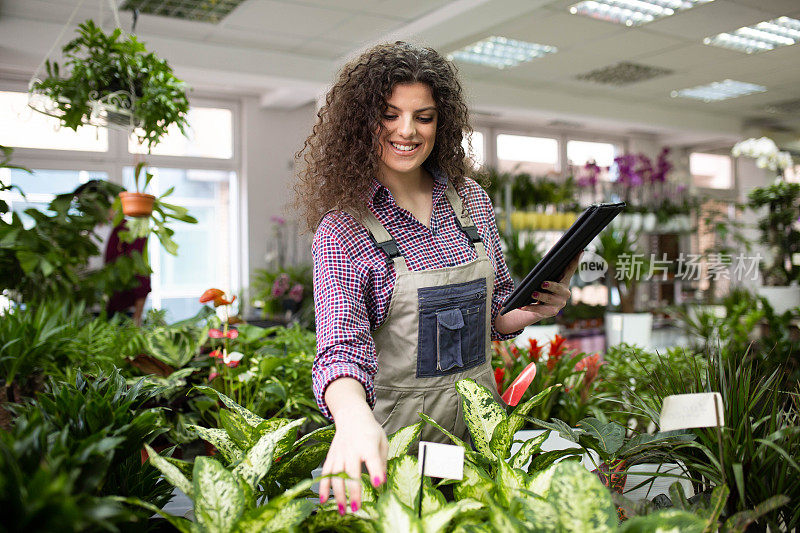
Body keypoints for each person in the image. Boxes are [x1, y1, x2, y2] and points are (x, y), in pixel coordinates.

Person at [294, 41, 580, 515]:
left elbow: (494, 313)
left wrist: (524, 311)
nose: (407, 131)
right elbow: (339, 348)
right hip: (394, 446)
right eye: (389, 115)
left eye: (423, 117)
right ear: (361, 121)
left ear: (440, 122)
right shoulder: (344, 229)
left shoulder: (470, 202)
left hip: (478, 434)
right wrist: (350, 418)